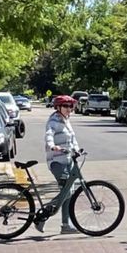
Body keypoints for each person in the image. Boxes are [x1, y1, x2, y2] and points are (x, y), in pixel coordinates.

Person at [45, 95, 82, 233]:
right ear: (58, 107)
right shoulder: (54, 120)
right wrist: (52, 145)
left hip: (67, 160)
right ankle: (45, 212)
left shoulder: (66, 120)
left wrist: (77, 150)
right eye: (66, 106)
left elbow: (72, 139)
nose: (69, 109)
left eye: (70, 106)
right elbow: (49, 133)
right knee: (67, 191)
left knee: (69, 192)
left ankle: (65, 225)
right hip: (56, 162)